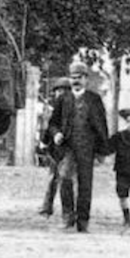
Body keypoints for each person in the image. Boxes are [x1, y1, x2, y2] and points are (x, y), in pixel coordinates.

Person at [49, 61, 109, 233]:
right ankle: (68, 217)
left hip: (87, 147)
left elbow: (102, 126)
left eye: (79, 78)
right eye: (73, 77)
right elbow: (53, 123)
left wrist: (102, 151)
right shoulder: (63, 99)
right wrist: (56, 134)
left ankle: (83, 221)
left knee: (85, 184)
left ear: (86, 79)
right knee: (64, 178)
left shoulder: (94, 99)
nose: (76, 81)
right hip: (67, 147)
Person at [38, 77, 71, 216]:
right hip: (55, 149)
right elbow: (49, 127)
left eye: (62, 91)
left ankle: (67, 211)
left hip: (68, 149)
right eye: (58, 91)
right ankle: (47, 206)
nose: (59, 94)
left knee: (64, 179)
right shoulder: (53, 108)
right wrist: (44, 142)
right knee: (53, 178)